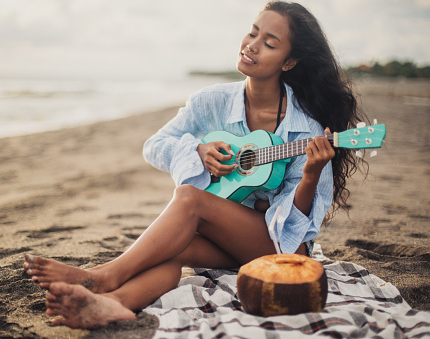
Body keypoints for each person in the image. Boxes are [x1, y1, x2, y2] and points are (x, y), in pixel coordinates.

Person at [24, 1, 366, 329]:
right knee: (171, 248)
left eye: (269, 43)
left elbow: (293, 228)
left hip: (280, 246)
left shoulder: (304, 129)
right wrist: (198, 150)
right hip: (226, 239)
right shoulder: (211, 102)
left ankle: (104, 275)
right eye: (252, 33)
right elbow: (154, 146)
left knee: (190, 198)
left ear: (289, 62)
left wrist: (310, 175)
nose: (252, 46)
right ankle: (114, 303)